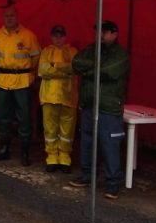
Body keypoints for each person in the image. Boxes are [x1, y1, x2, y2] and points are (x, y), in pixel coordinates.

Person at [70, 20, 130, 200]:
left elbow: (108, 71)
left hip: (108, 107)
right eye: (98, 32)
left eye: (104, 32)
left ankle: (113, 182)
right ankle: (88, 175)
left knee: (109, 145)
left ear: (115, 34)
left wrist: (88, 71)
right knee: (87, 141)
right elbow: (76, 62)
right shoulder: (92, 48)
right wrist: (94, 68)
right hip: (89, 104)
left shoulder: (121, 54)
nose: (100, 35)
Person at [0, 5, 41, 166]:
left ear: (17, 16)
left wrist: (28, 73)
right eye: (6, 16)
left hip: (22, 80)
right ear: (3, 18)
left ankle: (25, 152)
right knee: (3, 116)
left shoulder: (28, 36)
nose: (9, 18)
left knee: (24, 117)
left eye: (12, 15)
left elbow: (36, 58)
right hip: (4, 80)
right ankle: (4, 148)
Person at [37, 24, 78, 173]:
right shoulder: (46, 52)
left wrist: (54, 66)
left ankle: (65, 157)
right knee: (50, 129)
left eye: (61, 35)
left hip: (68, 97)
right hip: (48, 96)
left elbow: (74, 69)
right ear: (51, 37)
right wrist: (63, 70)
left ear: (65, 36)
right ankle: (52, 157)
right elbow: (42, 71)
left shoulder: (73, 52)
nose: (58, 38)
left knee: (67, 130)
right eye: (55, 36)